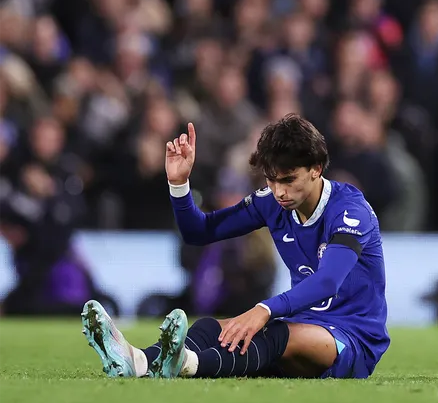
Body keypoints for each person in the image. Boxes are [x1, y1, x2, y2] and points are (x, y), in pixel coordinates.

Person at [80, 114, 390, 379]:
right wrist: (179, 184)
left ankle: (186, 364)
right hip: (304, 326)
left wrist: (264, 309)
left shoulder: (350, 212)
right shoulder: (273, 204)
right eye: (271, 180)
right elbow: (198, 232)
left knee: (270, 332)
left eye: (288, 179)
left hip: (352, 340)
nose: (279, 191)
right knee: (211, 328)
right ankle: (137, 361)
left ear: (316, 168)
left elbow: (327, 282)